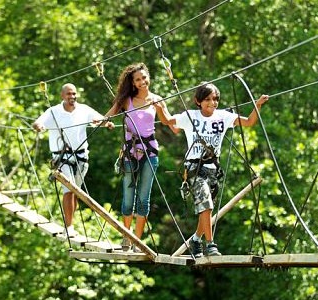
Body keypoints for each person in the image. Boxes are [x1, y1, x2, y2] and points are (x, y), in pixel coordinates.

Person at [153, 81, 269, 257]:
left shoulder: (223, 116)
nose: (212, 103)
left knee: (207, 209)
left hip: (213, 169)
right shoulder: (190, 116)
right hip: (194, 167)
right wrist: (159, 108)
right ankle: (210, 244)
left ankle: (196, 239)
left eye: (215, 99)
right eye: (207, 99)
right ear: (198, 101)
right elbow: (167, 121)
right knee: (206, 204)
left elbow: (249, 122)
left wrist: (257, 105)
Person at [105, 63, 177, 252]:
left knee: (143, 199)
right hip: (130, 152)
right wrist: (103, 122)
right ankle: (126, 237)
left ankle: (137, 240)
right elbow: (107, 116)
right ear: (133, 83)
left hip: (150, 152)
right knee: (128, 197)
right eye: (138, 79)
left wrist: (191, 121)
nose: (142, 81)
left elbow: (170, 123)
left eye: (144, 78)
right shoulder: (126, 100)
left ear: (148, 78)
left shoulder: (157, 100)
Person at [33, 83, 114, 237]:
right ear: (62, 96)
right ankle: (68, 226)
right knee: (69, 189)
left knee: (75, 192)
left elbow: (98, 120)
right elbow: (38, 122)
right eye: (69, 94)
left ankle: (71, 224)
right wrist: (39, 127)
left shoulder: (84, 109)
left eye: (74, 94)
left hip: (82, 157)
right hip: (62, 158)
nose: (72, 97)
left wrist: (107, 123)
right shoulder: (53, 111)